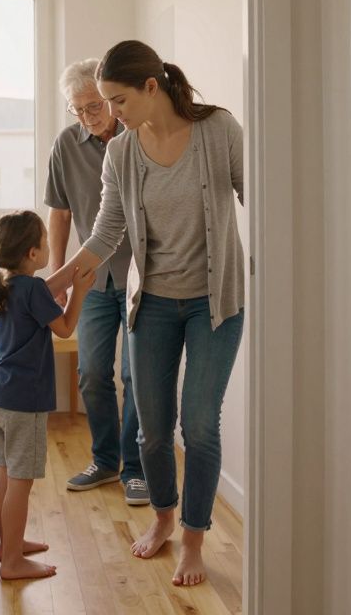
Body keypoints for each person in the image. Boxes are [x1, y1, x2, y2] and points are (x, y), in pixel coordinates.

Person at [47, 40, 245, 587]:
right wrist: (56, 283)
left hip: (216, 304)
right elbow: (108, 230)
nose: (110, 115)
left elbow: (264, 196)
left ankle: (193, 538)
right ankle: (162, 518)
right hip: (152, 303)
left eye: (117, 101)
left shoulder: (218, 130)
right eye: (102, 104)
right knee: (153, 433)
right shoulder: (122, 152)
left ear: (151, 88)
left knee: (200, 425)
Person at [47, 59, 149, 505]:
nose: (88, 116)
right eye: (79, 109)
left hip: (140, 277)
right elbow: (60, 212)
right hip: (90, 279)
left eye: (94, 106)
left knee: (136, 375)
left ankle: (136, 468)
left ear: (110, 98)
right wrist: (59, 276)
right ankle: (105, 461)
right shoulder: (66, 146)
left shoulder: (143, 136)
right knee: (92, 374)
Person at [0, 209, 95, 581]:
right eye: (46, 244)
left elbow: (42, 306)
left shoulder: (9, 285)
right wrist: (79, 292)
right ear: (32, 253)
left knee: (5, 476)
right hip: (23, 401)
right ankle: (12, 561)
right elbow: (64, 328)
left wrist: (63, 288)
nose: (49, 250)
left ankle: (7, 545)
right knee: (21, 482)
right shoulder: (31, 289)